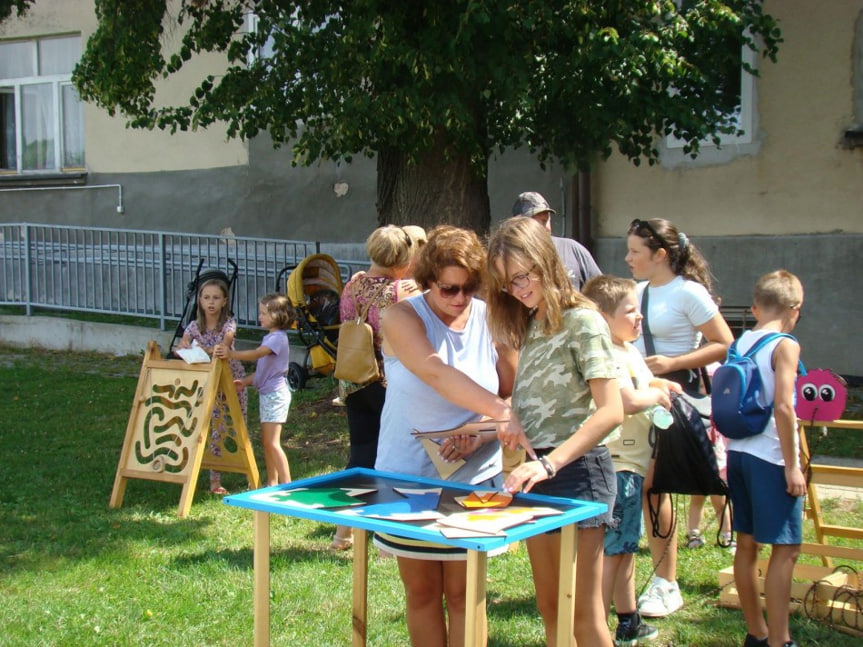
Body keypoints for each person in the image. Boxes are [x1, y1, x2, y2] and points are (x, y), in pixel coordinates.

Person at [375, 225, 518, 647]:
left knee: (466, 594)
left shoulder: (492, 317)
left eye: (469, 288)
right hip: (407, 475)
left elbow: (513, 392)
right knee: (421, 592)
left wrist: (484, 429)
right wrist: (503, 413)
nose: (460, 299)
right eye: (449, 289)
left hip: (475, 477)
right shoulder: (401, 316)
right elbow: (436, 372)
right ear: (426, 281)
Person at [486, 216, 623, 647]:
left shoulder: (584, 321)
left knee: (584, 615)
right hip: (536, 473)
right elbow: (534, 399)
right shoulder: (529, 324)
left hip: (579, 473)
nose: (519, 288)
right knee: (550, 608)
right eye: (509, 283)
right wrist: (511, 419)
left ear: (547, 260)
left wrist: (549, 463)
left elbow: (611, 411)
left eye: (524, 275)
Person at [625, 218, 734, 618]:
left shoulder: (689, 293)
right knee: (647, 485)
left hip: (673, 397)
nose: (628, 258)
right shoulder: (636, 293)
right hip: (641, 394)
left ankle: (666, 582)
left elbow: (725, 344)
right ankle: (656, 578)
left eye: (635, 251)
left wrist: (674, 360)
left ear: (660, 255)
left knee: (655, 485)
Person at [583, 275, 682, 647]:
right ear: (605, 318)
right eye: (631, 311)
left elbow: (638, 385)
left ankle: (627, 620)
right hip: (617, 465)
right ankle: (597, 630)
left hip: (631, 466)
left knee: (623, 547)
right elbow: (623, 401)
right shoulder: (606, 351)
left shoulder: (627, 349)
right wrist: (653, 396)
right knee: (614, 551)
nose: (639, 318)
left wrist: (659, 385)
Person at [331, 225, 421, 551]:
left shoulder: (352, 284)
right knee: (393, 459)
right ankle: (387, 538)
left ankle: (343, 533)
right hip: (388, 383)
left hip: (354, 380)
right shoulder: (403, 292)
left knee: (360, 454)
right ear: (402, 258)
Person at [728, 270, 805, 647]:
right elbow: (785, 407)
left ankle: (756, 633)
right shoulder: (785, 345)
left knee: (747, 544)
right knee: (786, 548)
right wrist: (793, 465)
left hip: (738, 451)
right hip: (770, 456)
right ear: (795, 309)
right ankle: (781, 640)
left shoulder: (742, 341)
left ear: (756, 306)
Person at [176, 276, 246, 495]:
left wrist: (203, 350)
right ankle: (215, 481)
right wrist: (185, 345)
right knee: (216, 429)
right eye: (206, 298)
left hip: (232, 382)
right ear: (200, 301)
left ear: (225, 301)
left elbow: (224, 344)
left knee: (239, 427)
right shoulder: (194, 326)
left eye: (216, 297)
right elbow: (182, 344)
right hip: (209, 384)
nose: (211, 302)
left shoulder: (229, 323)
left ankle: (249, 474)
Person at [215, 293, 294, 487]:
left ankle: (288, 485)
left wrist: (231, 353)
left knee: (272, 443)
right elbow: (264, 370)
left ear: (278, 316)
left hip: (275, 396)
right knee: (268, 443)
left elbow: (256, 354)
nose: (260, 317)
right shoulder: (271, 337)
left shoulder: (277, 339)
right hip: (268, 395)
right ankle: (272, 483)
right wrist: (245, 381)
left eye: (264, 313)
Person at [511, 191, 602, 291]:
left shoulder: (572, 249)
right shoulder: (509, 260)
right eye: (533, 223)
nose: (541, 227)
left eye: (545, 220)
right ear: (517, 226)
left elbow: (601, 292)